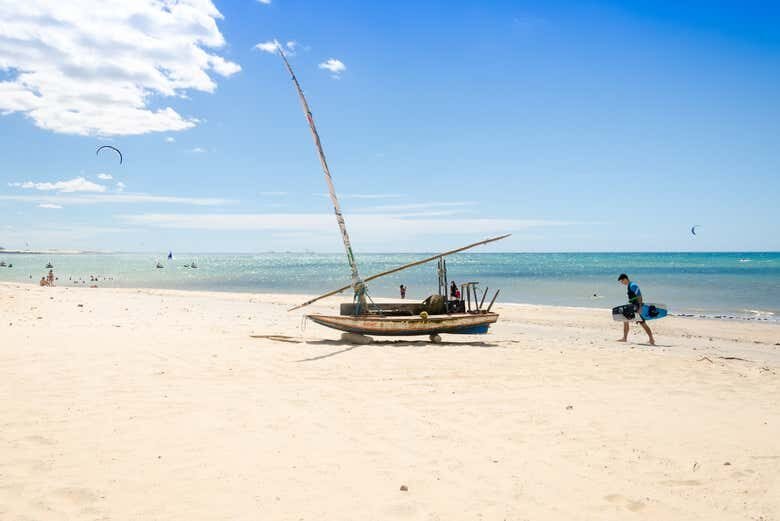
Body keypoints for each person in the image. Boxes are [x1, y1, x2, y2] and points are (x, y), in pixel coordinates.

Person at [617, 273, 655, 345]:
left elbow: (639, 296)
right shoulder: (629, 286)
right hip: (632, 306)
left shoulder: (633, 285)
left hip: (636, 307)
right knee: (625, 319)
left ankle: (651, 339)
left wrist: (640, 308)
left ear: (625, 279)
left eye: (622, 281)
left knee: (642, 323)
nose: (622, 283)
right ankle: (624, 338)